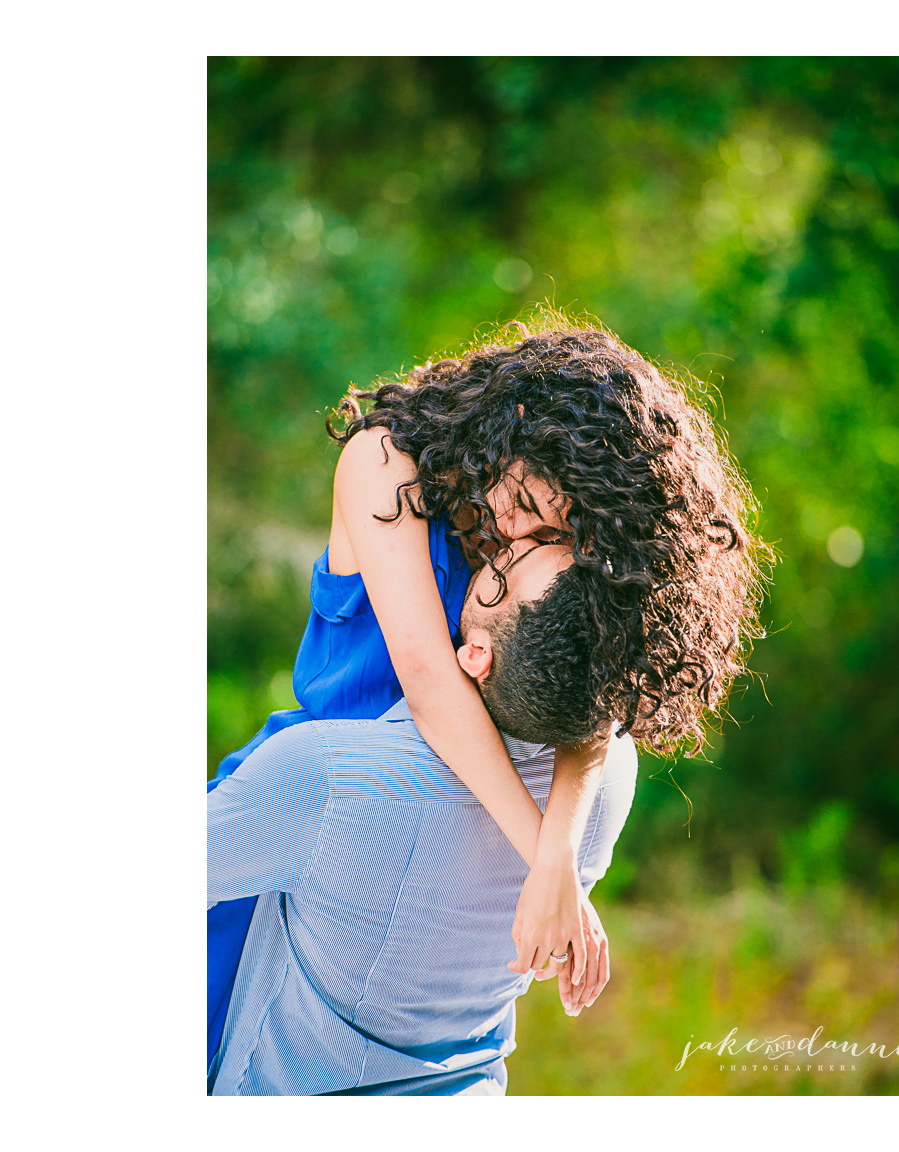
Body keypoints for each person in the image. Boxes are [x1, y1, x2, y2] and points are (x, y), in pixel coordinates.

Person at [208, 315, 769, 1069]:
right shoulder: (385, 463)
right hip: (314, 808)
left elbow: (593, 692)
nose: (527, 534)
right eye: (536, 509)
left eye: (558, 533)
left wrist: (559, 857)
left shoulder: (539, 542)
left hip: (425, 834)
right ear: (521, 423)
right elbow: (429, 678)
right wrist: (543, 861)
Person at [208, 539, 637, 1096]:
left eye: (505, 565)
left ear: (475, 655)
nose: (509, 541)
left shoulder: (330, 775)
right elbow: (600, 731)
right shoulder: (609, 782)